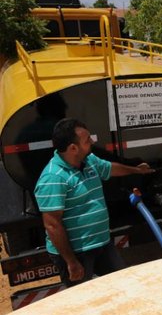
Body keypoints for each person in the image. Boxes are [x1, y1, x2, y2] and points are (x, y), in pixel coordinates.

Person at [34, 118, 155, 286]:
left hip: (102, 244)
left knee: (122, 286)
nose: (92, 141)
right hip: (77, 254)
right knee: (84, 302)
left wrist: (137, 170)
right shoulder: (53, 178)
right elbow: (52, 224)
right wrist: (71, 262)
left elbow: (110, 168)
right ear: (73, 148)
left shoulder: (89, 161)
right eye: (87, 140)